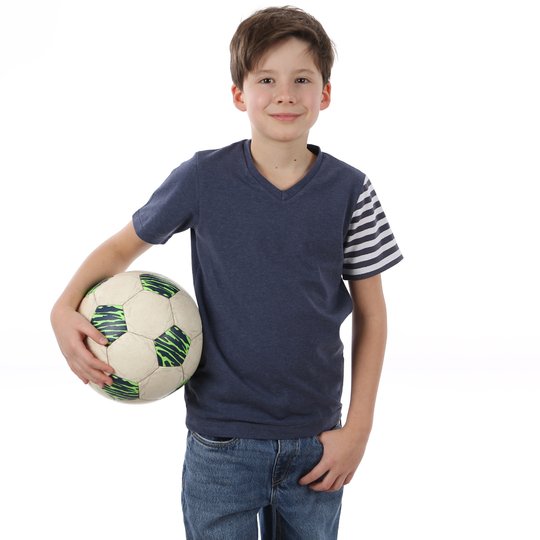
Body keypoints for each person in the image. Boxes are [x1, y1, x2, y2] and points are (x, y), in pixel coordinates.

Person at [51, 6, 403, 539]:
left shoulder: (351, 190)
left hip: (317, 443)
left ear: (325, 93)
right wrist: (62, 307)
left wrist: (358, 429)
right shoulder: (202, 178)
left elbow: (372, 315)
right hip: (222, 444)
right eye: (266, 79)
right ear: (239, 94)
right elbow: (122, 246)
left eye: (301, 79)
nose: (285, 94)